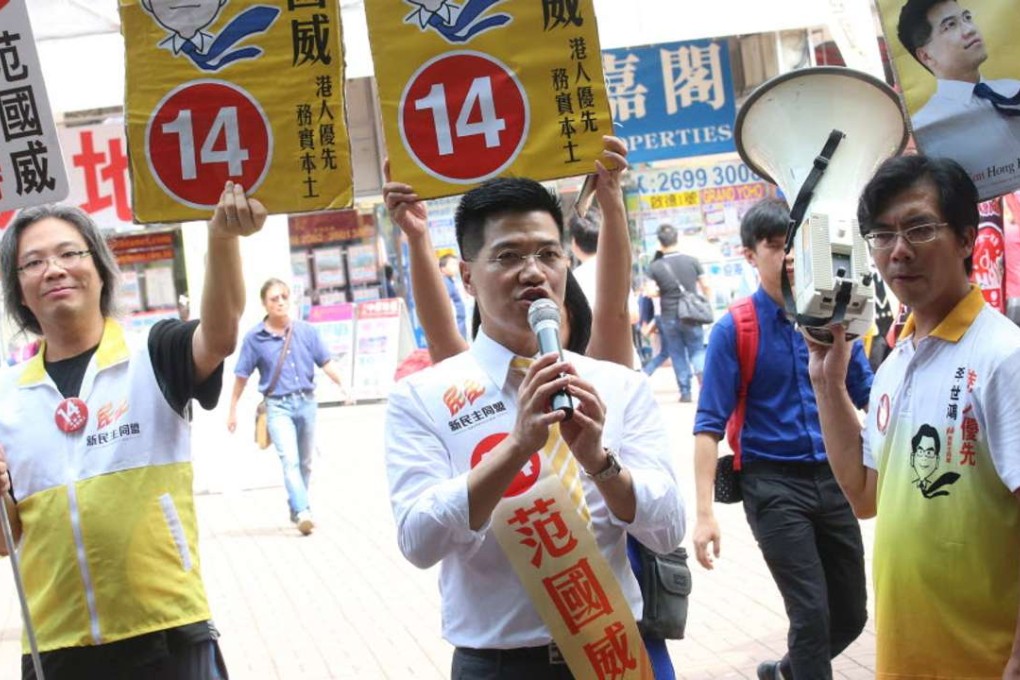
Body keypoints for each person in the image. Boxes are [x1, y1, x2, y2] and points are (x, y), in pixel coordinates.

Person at [384, 138, 679, 679]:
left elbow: (666, 529)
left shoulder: (615, 386)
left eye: (548, 254)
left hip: (613, 653)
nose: (533, 271)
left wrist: (602, 463)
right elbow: (419, 541)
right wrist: (515, 447)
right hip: (497, 666)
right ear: (468, 278)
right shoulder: (424, 397)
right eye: (509, 256)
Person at [0, 181, 265, 679]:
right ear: (19, 291)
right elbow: (5, 540)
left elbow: (222, 333)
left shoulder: (155, 353)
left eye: (68, 253)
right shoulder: (6, 396)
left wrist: (222, 239)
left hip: (168, 632)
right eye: (33, 262)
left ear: (100, 270)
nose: (53, 269)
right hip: (57, 644)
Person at [808, 154, 1020, 678]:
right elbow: (864, 495)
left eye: (920, 228)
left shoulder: (1003, 357)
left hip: (986, 662)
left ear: (968, 239)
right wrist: (827, 384)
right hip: (908, 658)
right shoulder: (894, 363)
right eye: (882, 235)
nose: (898, 251)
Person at [693, 199, 872, 680]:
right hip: (772, 487)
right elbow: (708, 425)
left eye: (794, 246)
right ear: (750, 255)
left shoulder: (833, 319)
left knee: (852, 615)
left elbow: (870, 395)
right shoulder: (735, 328)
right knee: (811, 616)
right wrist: (705, 514)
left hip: (836, 478)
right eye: (775, 247)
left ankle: (784, 673)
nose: (789, 258)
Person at [227, 277, 347, 536]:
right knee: (289, 460)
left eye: (283, 297)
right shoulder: (254, 339)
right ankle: (304, 511)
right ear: (264, 304)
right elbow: (242, 376)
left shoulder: (306, 331)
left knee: (305, 462)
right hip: (277, 407)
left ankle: (296, 507)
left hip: (306, 403)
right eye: (274, 298)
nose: (280, 302)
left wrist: (343, 385)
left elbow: (325, 362)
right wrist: (233, 408)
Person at [897, 0, 1020, 198]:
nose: (969, 29)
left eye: (967, 18)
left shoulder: (1014, 88)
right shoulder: (924, 128)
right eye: (950, 25)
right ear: (926, 56)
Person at [645, 224, 712, 402]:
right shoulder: (692, 260)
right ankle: (705, 387)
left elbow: (650, 291)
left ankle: (685, 392)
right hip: (691, 314)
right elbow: (706, 286)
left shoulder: (655, 266)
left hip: (669, 315)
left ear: (660, 243)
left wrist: (665, 291)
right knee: (697, 351)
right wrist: (705, 301)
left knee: (677, 353)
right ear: (677, 238)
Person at [439, 253, 468, 339]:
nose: (455, 267)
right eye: (452, 264)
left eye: (456, 264)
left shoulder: (452, 282)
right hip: (455, 328)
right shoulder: (445, 284)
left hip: (461, 325)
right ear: (443, 268)